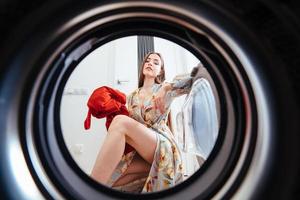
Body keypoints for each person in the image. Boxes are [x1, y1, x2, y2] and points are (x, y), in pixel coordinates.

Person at [90, 52, 194, 193]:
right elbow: (129, 127)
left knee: (120, 121)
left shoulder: (165, 89)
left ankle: (88, 189)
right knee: (110, 179)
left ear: (160, 71)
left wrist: (166, 87)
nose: (150, 63)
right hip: (140, 150)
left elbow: (193, 80)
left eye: (156, 62)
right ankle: (91, 191)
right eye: (148, 61)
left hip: (162, 147)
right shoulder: (132, 96)